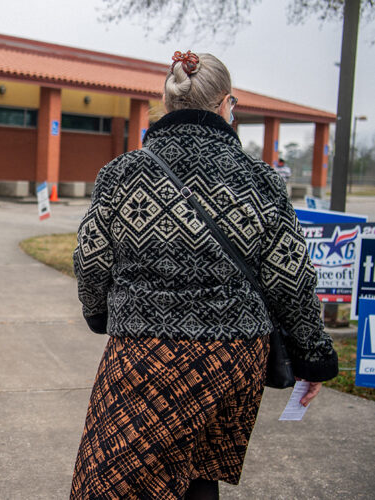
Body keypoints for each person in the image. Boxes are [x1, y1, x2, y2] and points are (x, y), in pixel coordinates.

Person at [71, 51, 338, 500]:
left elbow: (91, 259)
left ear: (166, 102)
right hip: (235, 357)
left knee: (114, 480)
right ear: (226, 105)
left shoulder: (121, 174)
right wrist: (312, 355)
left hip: (147, 352)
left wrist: (98, 313)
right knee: (199, 474)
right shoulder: (262, 179)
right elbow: (291, 278)